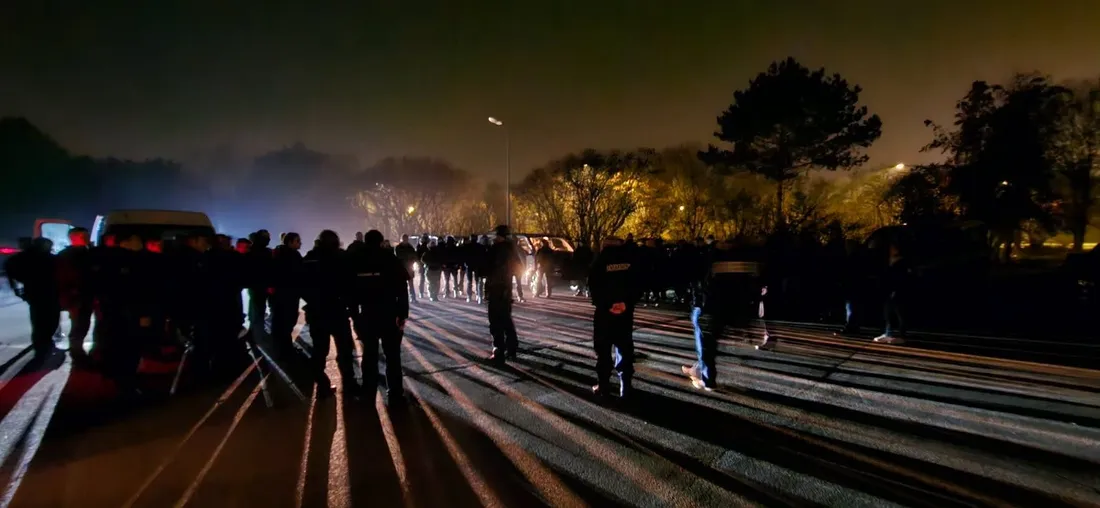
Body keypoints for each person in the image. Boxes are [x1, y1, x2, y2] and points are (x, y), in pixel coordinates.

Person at [683, 237, 765, 391]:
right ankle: (699, 370)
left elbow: (695, 277)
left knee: (706, 345)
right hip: (729, 306)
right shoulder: (744, 258)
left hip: (708, 306)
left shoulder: (709, 257)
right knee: (709, 345)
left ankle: (707, 380)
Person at [348, 230, 410, 404]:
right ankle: (395, 395)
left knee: (369, 356)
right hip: (389, 314)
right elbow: (402, 289)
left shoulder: (356, 261)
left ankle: (368, 394)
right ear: (381, 241)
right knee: (392, 356)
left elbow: (350, 293)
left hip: (367, 314)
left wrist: (355, 317)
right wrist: (402, 314)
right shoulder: (390, 258)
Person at [301, 230, 357, 398]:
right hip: (337, 309)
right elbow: (350, 282)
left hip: (317, 311)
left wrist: (313, 300)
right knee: (345, 350)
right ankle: (349, 384)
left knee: (319, 350)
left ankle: (322, 384)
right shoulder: (341, 257)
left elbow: (301, 285)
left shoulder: (310, 258)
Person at [587, 236, 641, 399]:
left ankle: (603, 386)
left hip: (605, 314)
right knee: (625, 348)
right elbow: (638, 285)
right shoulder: (630, 262)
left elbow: (594, 287)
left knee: (603, 351)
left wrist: (608, 305)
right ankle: (625, 387)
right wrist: (626, 304)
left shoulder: (599, 262)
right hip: (625, 314)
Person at [5, 237, 60, 358]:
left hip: (34, 294)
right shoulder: (49, 259)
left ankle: (41, 345)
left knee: (38, 320)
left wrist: (18, 289)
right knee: (50, 320)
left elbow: (11, 272)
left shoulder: (22, 258)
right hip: (50, 294)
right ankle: (44, 344)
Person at [485, 225, 521, 364]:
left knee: (496, 321)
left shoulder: (498, 250)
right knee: (506, 319)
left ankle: (498, 351)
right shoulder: (511, 250)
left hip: (497, 288)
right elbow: (517, 268)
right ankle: (512, 347)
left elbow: (489, 268)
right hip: (505, 288)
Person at [56, 227, 94, 361]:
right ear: (73, 237)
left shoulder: (88, 252)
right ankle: (76, 351)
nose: (87, 238)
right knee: (79, 324)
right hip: (75, 296)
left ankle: (77, 349)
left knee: (83, 323)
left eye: (87, 235)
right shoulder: (66, 255)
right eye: (83, 236)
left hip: (85, 295)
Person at [270, 232, 304, 359]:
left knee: (280, 322)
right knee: (287, 322)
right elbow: (299, 274)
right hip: (289, 294)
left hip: (279, 294)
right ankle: (286, 351)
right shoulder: (292, 255)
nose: (300, 243)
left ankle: (280, 349)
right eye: (297, 241)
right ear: (290, 242)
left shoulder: (277, 253)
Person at [874, 242, 911, 344]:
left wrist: (895, 289)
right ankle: (888, 333)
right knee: (888, 313)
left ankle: (901, 335)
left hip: (897, 291)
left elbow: (901, 279)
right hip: (889, 290)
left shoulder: (901, 263)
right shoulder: (890, 261)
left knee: (899, 313)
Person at [244, 231, 273, 344]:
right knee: (257, 310)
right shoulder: (258, 251)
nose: (268, 239)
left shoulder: (257, 250)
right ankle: (256, 335)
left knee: (257, 310)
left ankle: (254, 333)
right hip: (258, 286)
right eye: (266, 237)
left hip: (260, 286)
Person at [394, 234, 419, 304]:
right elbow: (399, 256)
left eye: (406, 239)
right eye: (404, 239)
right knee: (402, 285)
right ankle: (401, 298)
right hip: (401, 268)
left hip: (409, 267)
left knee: (411, 283)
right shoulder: (398, 247)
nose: (405, 240)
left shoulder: (410, 247)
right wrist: (409, 256)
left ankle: (413, 297)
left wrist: (410, 258)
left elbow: (415, 256)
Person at [462, 234, 485, 303]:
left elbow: (464, 256)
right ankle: (479, 296)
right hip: (477, 265)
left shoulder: (467, 246)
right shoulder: (480, 247)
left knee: (469, 281)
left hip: (469, 265)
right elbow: (482, 256)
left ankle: (469, 297)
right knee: (478, 281)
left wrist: (465, 264)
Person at [415, 234, 431, 300]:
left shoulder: (421, 247)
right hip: (424, 264)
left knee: (423, 279)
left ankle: (422, 292)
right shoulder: (423, 247)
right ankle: (423, 292)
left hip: (423, 264)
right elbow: (417, 256)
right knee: (424, 279)